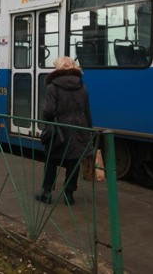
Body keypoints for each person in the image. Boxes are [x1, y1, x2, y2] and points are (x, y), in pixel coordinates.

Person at [37, 56, 93, 205]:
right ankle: (69, 195)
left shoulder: (53, 86)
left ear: (58, 68)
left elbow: (48, 111)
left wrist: (48, 123)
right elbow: (87, 111)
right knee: (73, 162)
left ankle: (47, 193)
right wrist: (88, 131)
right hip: (78, 128)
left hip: (59, 129)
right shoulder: (82, 86)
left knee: (51, 160)